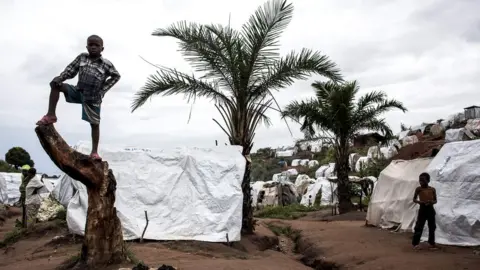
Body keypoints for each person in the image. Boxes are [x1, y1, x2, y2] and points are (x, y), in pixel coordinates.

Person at [36, 35, 121, 161]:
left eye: (96, 45)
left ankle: (94, 152)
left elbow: (116, 76)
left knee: (95, 124)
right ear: (87, 46)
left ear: (102, 49)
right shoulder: (82, 58)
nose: (93, 47)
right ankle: (51, 115)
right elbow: (70, 70)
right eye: (90, 45)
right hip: (78, 91)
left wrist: (103, 90)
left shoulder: (106, 65)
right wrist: (61, 78)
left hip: (93, 98)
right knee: (55, 84)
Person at [412, 172, 437, 250]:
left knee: (432, 227)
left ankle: (431, 243)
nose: (421, 182)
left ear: (428, 180)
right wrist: (420, 202)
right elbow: (414, 199)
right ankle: (415, 244)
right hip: (422, 209)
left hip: (430, 209)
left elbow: (435, 200)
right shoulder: (418, 189)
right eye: (420, 180)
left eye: (423, 180)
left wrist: (430, 202)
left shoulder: (432, 189)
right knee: (419, 226)